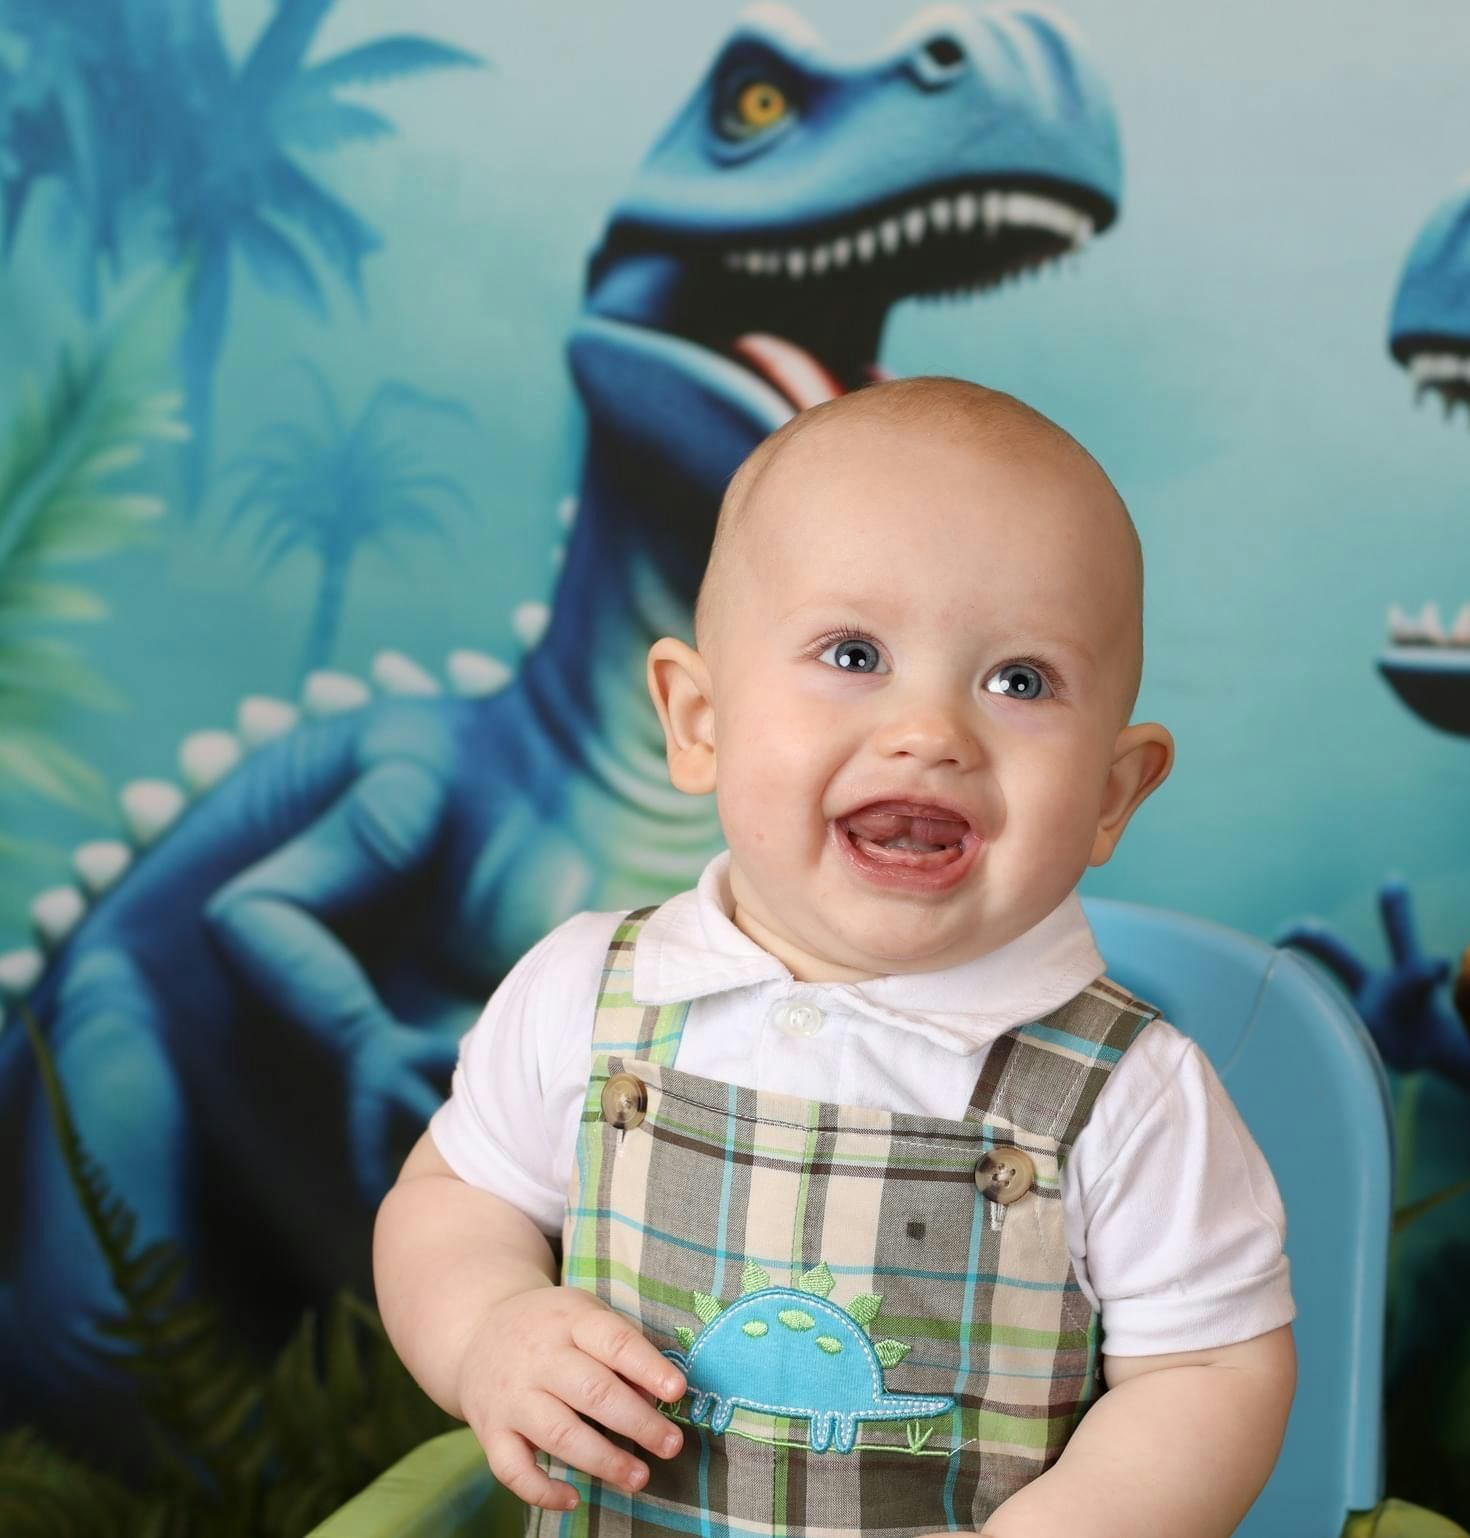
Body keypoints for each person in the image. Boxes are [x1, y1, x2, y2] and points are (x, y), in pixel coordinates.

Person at [373, 375, 1297, 1537]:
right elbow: (454, 1200)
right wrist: (485, 1329)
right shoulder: (589, 994)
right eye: (854, 652)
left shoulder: (1127, 1094)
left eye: (1018, 680)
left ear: (1111, 793)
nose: (930, 731)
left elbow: (1209, 1373)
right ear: (699, 721)